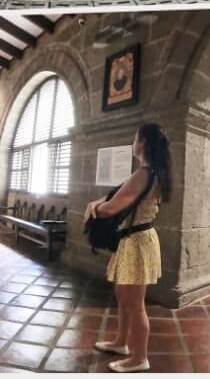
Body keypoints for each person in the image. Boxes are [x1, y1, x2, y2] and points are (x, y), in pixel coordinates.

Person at [84, 123, 171, 373]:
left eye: (135, 138)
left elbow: (113, 207)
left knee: (134, 304)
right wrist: (101, 202)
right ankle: (121, 343)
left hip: (137, 241)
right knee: (124, 297)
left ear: (142, 143)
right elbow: (117, 196)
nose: (133, 142)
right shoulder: (151, 172)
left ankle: (139, 358)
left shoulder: (144, 173)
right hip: (135, 240)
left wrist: (93, 210)